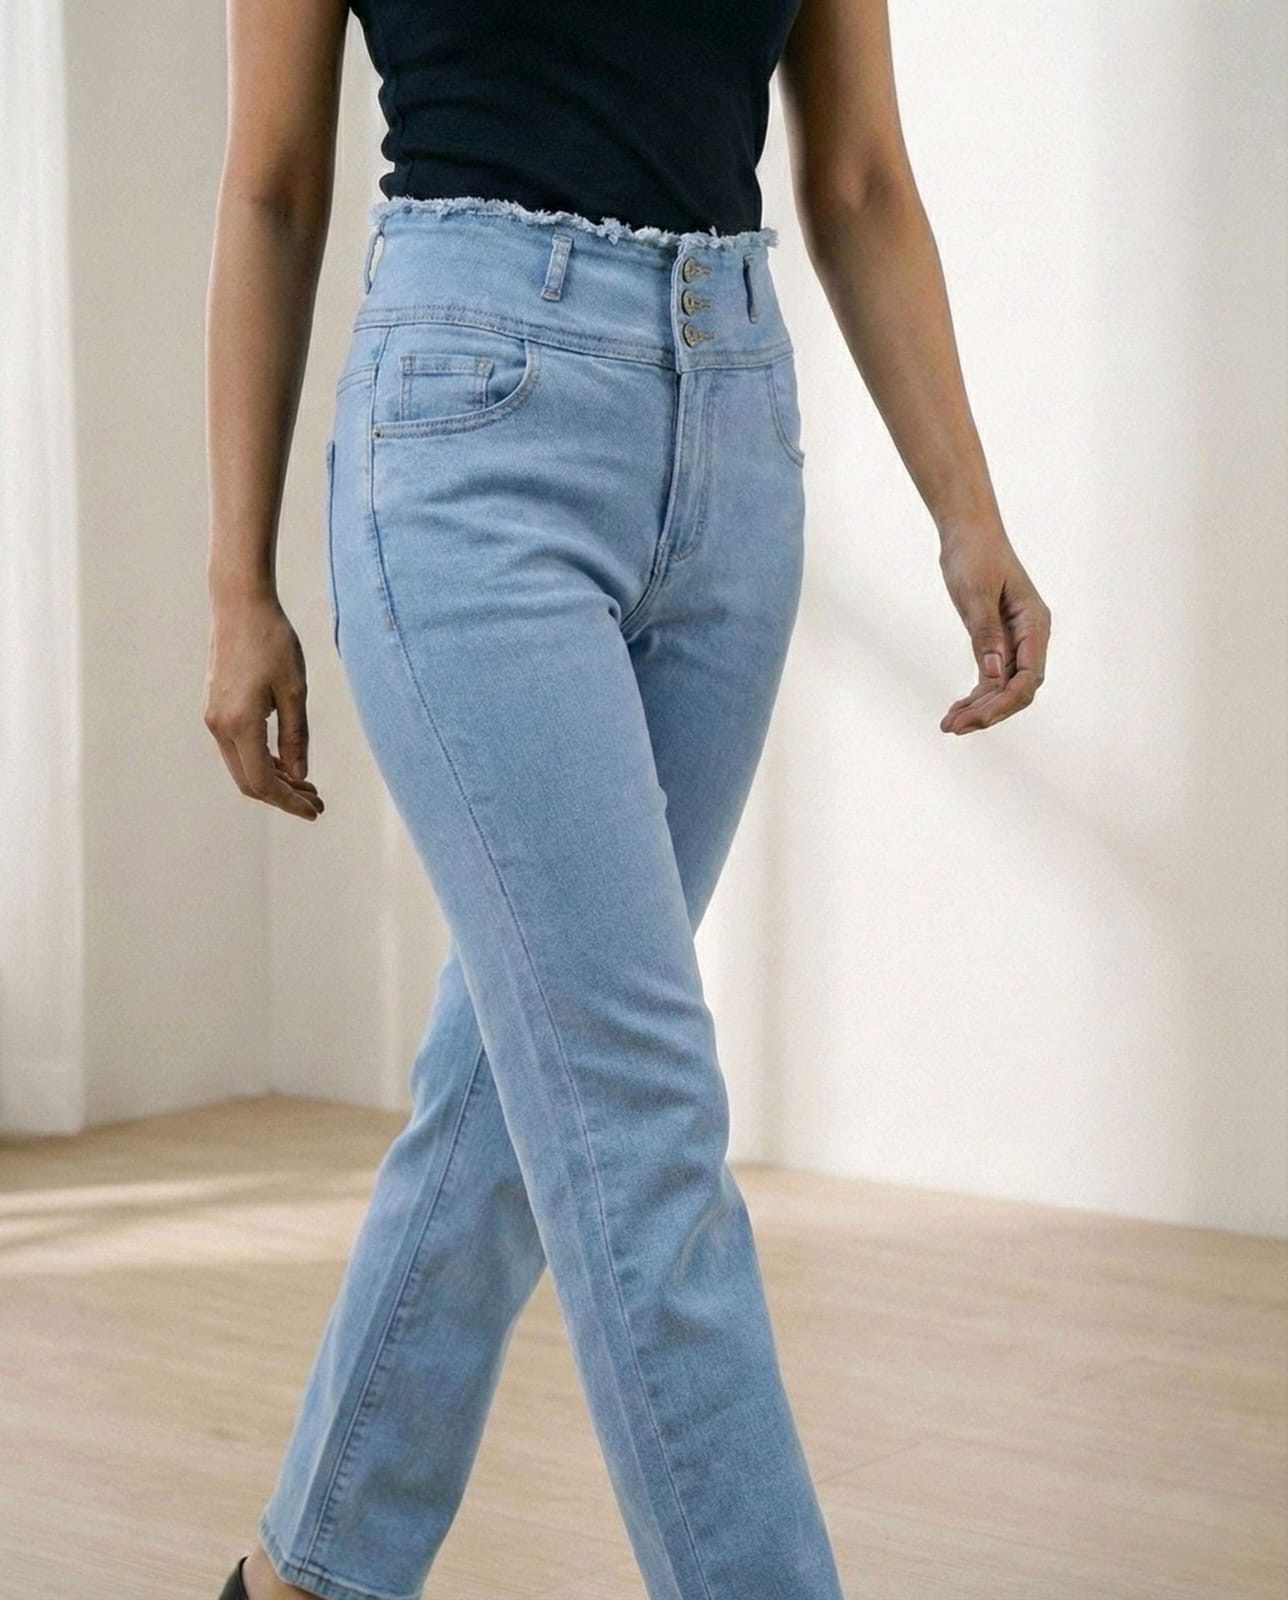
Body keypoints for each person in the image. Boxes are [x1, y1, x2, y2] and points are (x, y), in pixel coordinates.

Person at [203, 1, 1051, 1596]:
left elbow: (860, 175)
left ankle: (304, 1579)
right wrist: (236, 582)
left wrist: (968, 511)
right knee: (638, 1120)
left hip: (735, 436)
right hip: (468, 439)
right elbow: (273, 185)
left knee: (517, 1095)